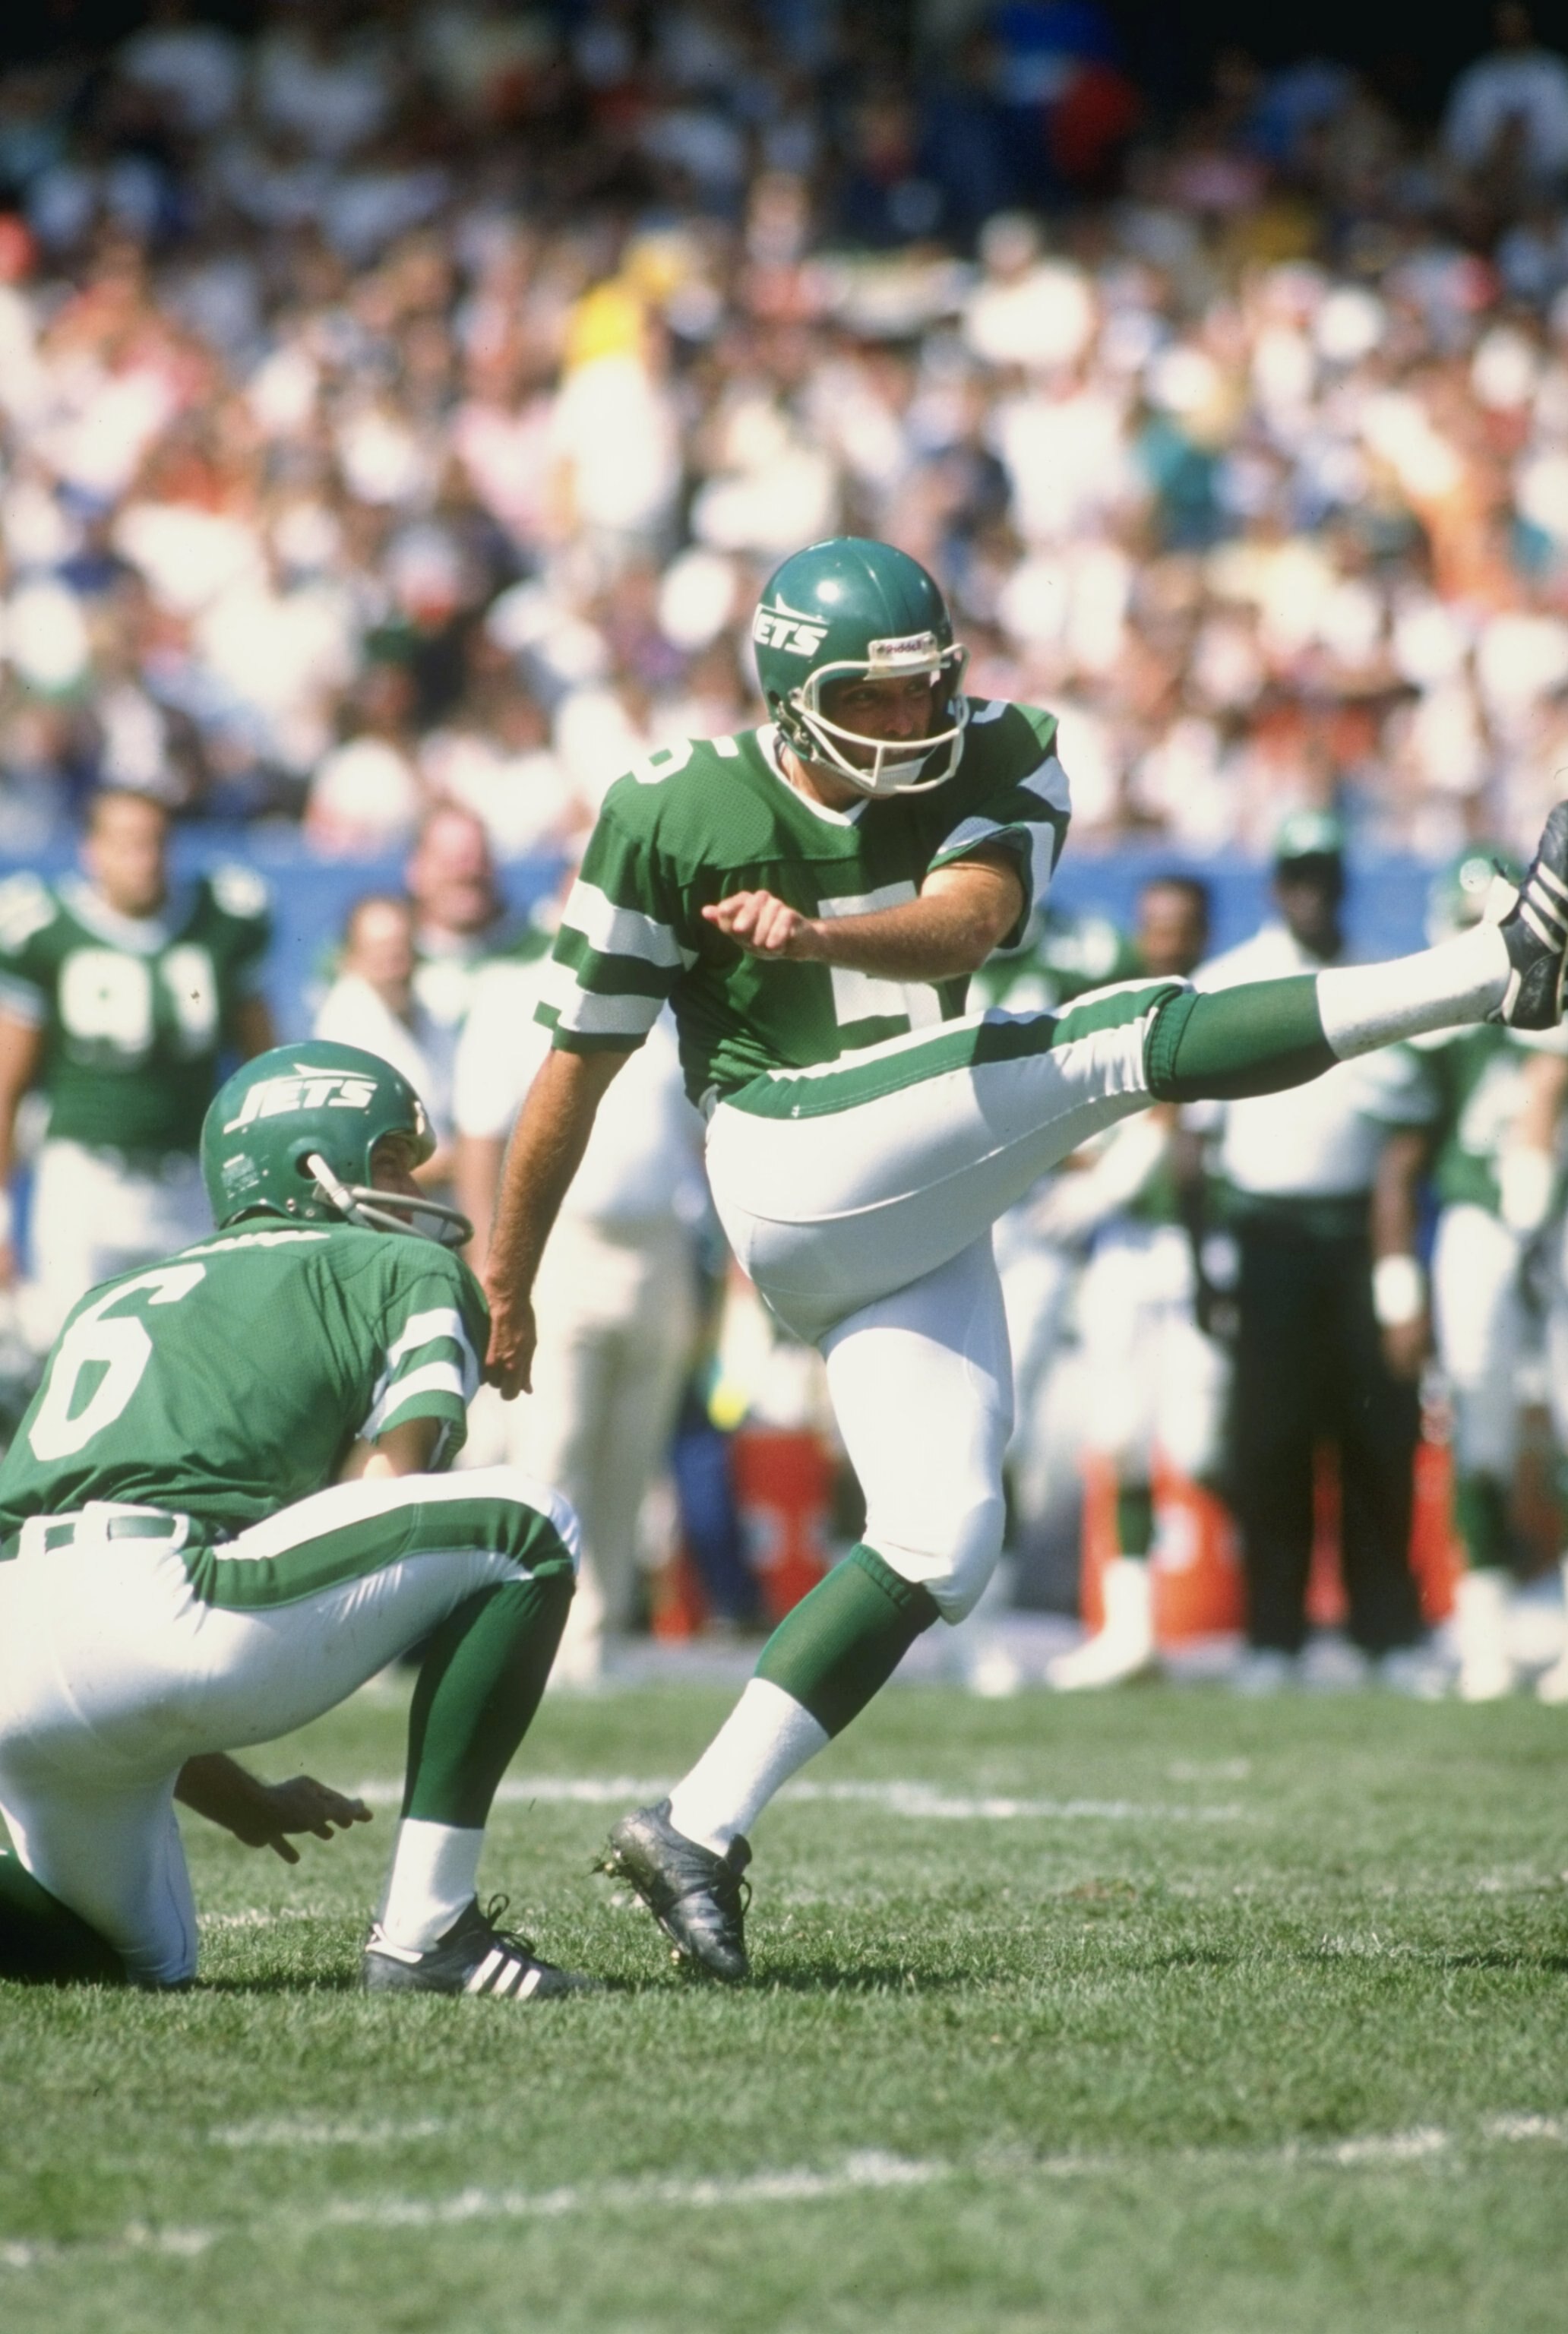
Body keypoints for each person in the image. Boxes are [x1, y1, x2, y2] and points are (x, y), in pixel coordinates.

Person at [481, 535, 1568, 1981]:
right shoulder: (669, 807)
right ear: (792, 696)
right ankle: (1496, 970)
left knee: (943, 1535)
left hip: (918, 1187)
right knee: (1115, 1037)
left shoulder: (1009, 753)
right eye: (871, 699)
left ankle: (694, 1824)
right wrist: (507, 1279)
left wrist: (817, 933)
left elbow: (966, 929)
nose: (910, 721)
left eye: (926, 687)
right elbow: (573, 1069)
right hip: (786, 1160)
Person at [0, 1039, 586, 1997]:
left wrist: (242, 1798)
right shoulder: (392, 1265)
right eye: (391, 1159)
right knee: (529, 1526)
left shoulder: (114, 1295)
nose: (414, 1187)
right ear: (314, 1163)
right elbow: (383, 1494)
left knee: (133, 1962)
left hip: (15, 1648)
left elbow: (94, 1641)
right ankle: (429, 1933)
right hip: (165, 1600)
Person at [1199, 812, 1440, 1690]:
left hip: (1360, 1235)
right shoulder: (1228, 982)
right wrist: (1203, 1265)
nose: (1312, 893)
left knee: (1376, 1432)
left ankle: (1385, 1632)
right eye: (1298, 876)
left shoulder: (1382, 979)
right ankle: (1275, 1635)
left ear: (1344, 882)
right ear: (1276, 885)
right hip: (1266, 1234)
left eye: (1325, 876)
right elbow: (1194, 1141)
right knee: (1272, 1440)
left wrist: (1399, 1274)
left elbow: (1413, 1124)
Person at [453, 947, 706, 1684]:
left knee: (633, 1454)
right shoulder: (514, 988)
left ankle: (599, 1642)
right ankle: (533, 1636)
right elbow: (480, 1137)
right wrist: (495, 1263)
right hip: (559, 1242)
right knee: (553, 1443)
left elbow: (701, 1136)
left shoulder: (678, 998)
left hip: (661, 1246)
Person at [0, 786, 275, 1348]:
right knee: (71, 1347)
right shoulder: (47, 927)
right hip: (85, 1177)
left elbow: (262, 1065)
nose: (144, 860)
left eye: (156, 843)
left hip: (188, 1178)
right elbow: (9, 1084)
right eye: (126, 844)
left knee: (195, 1352)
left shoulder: (220, 919)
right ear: (91, 851)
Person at [1041, 874, 1220, 1691]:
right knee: (1121, 1434)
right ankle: (1132, 1626)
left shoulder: (1221, 1004)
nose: (1164, 943)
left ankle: (1283, 1619)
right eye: (1154, 926)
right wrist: (1088, 1172)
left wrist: (1111, 1182)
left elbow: (1174, 1127)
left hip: (1203, 1245)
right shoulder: (1114, 1010)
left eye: (1179, 928)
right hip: (1124, 1250)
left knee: (1206, 1441)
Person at [1412, 848, 1568, 1698]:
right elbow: (1402, 1146)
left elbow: (1546, 1079)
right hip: (1475, 1217)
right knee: (1482, 1430)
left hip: (1559, 1219)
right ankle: (1486, 1632)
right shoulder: (1440, 1023)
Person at [314, 891, 456, 1180]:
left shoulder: (430, 1011)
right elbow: (362, 1165)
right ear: (352, 958)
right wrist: (473, 1159)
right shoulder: (345, 1027)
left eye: (403, 948)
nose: (395, 965)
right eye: (380, 952)